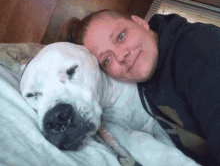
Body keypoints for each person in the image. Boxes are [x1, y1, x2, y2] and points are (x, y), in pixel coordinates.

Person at [59, 9, 220, 166]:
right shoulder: (143, 77)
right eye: (107, 59)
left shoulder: (202, 50)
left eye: (120, 36)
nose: (121, 56)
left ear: (140, 22)